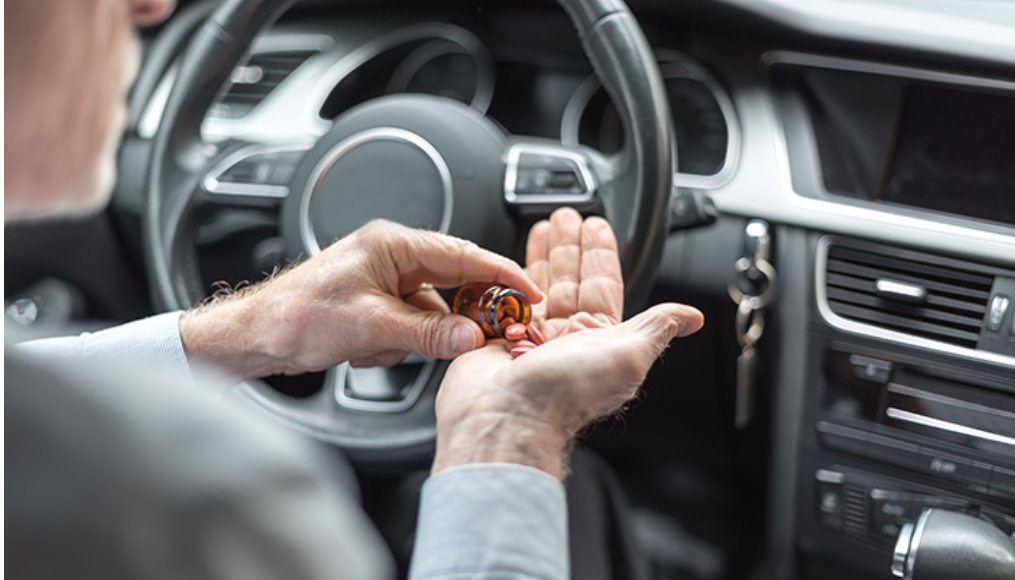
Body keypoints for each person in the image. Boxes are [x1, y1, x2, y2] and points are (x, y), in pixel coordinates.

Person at [6, 1, 706, 579]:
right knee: (580, 494)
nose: (152, 5)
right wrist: (507, 435)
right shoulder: (192, 489)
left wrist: (254, 328)